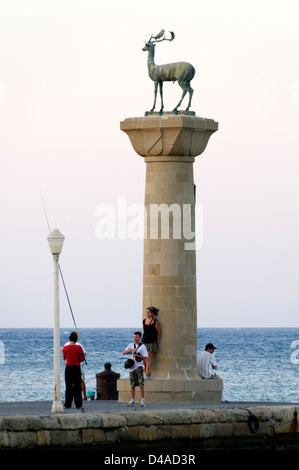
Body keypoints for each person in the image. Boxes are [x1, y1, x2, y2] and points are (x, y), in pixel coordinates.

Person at [122, 331, 148, 407]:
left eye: (136, 337)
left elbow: (146, 357)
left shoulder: (142, 347)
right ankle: (132, 400)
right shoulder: (131, 345)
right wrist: (131, 350)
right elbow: (123, 353)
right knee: (132, 385)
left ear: (140, 338)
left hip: (139, 366)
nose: (135, 339)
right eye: (134, 337)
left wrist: (137, 355)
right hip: (131, 367)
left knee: (141, 384)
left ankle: (142, 400)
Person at [62, 331, 86, 409]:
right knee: (77, 386)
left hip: (68, 367)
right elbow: (82, 358)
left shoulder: (65, 348)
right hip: (76, 367)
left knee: (68, 386)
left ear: (69, 339)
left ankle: (67, 404)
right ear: (76, 340)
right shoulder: (79, 347)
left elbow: (64, 358)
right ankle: (79, 404)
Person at [142, 307, 161, 378]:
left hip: (152, 342)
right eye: (146, 312)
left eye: (149, 312)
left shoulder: (155, 322)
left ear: (152, 313)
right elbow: (144, 331)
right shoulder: (144, 321)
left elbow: (159, 332)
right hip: (144, 342)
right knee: (143, 359)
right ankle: (145, 372)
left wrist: (158, 341)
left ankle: (146, 375)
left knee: (148, 358)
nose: (147, 313)